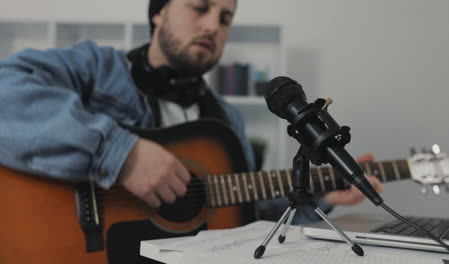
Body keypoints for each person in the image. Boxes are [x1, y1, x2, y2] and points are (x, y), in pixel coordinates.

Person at [0, 0, 383, 229]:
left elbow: (245, 213)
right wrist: (120, 154)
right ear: (160, 12)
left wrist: (322, 194)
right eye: (200, 7)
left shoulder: (227, 122)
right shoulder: (96, 68)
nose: (212, 25)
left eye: (225, 17)